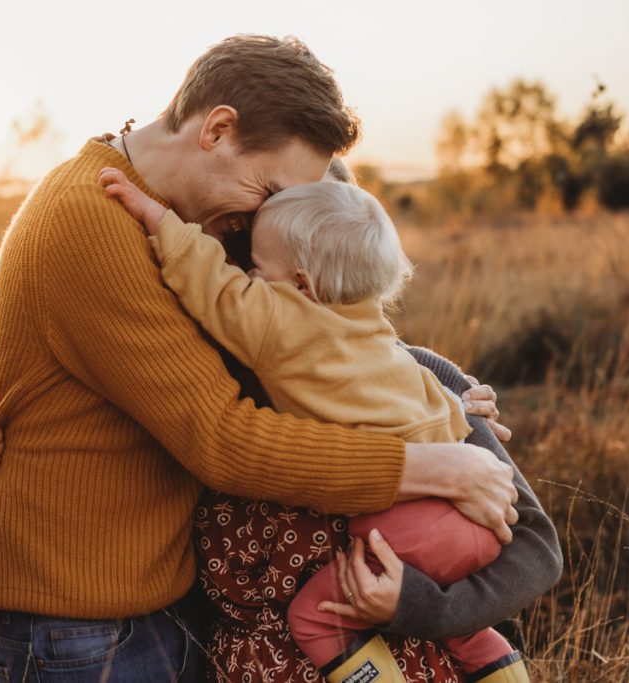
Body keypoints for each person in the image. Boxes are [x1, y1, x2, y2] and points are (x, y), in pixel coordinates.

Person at [0, 34, 536, 682]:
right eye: (270, 188)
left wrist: (437, 394)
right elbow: (223, 437)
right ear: (218, 129)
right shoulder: (89, 221)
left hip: (160, 592)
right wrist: (434, 464)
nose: (270, 215)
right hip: (80, 613)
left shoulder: (202, 224)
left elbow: (321, 338)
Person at [94, 169, 530, 683]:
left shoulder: (310, 338)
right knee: (458, 628)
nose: (249, 279)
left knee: (316, 617)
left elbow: (536, 547)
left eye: (256, 266)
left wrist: (156, 218)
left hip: (396, 615)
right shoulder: (369, 341)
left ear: (301, 282)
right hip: (442, 555)